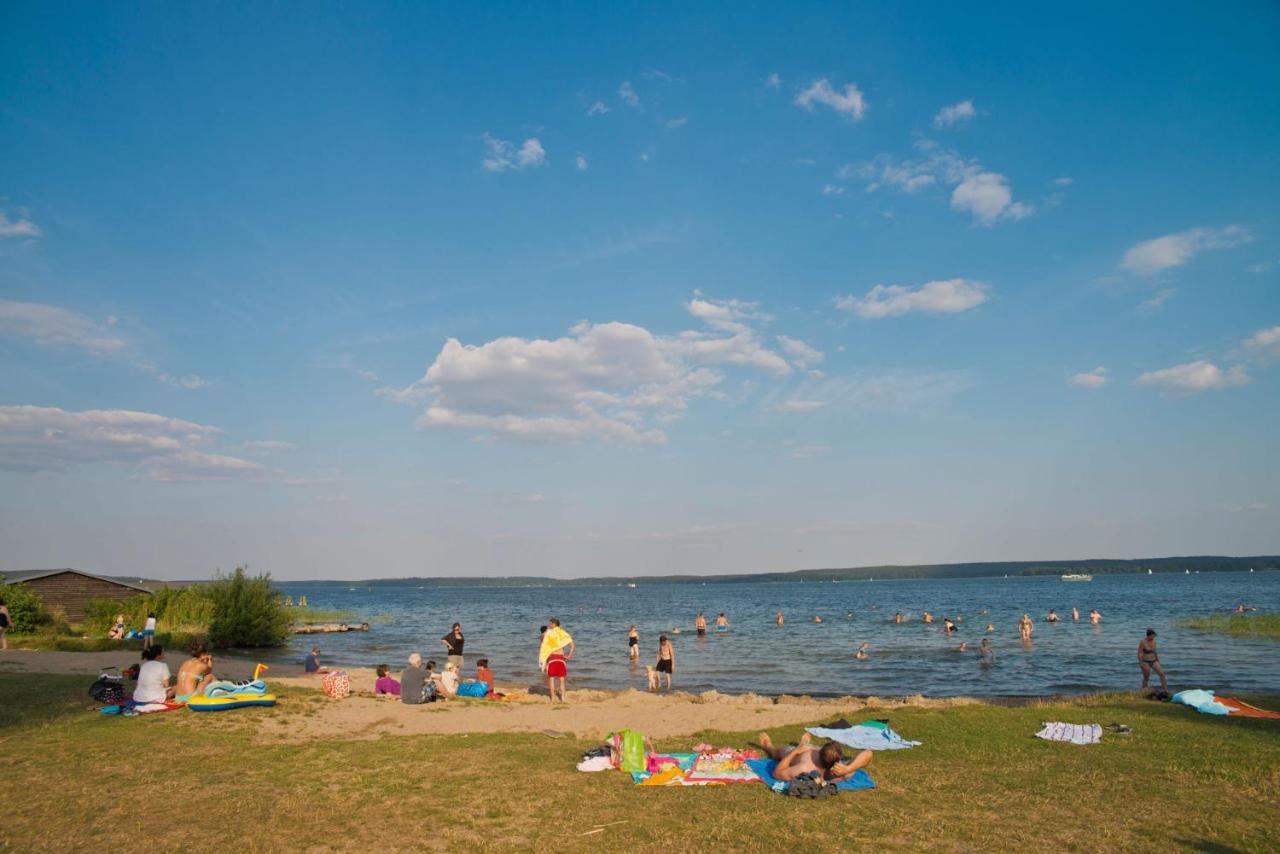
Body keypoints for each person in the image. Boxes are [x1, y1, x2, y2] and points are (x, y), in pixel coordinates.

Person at [757, 731, 872, 783]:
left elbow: (777, 773)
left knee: (778, 753)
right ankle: (804, 743)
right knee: (807, 746)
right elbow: (868, 753)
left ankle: (769, 747)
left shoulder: (804, 768)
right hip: (811, 751)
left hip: (799, 753)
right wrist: (848, 768)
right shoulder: (842, 771)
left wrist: (795, 752)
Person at [540, 618, 574, 703]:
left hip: (551, 659)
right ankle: (563, 698)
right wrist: (569, 656)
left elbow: (543, 644)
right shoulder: (562, 633)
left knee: (551, 680)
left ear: (553, 624)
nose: (548, 625)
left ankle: (552, 699)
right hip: (561, 659)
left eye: (550, 624)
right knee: (562, 681)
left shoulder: (547, 634)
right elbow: (572, 645)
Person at [1138, 629, 1168, 694]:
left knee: (1162, 674)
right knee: (1146, 677)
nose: (1153, 638)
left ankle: (1165, 690)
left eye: (1154, 636)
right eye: (1152, 636)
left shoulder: (1154, 642)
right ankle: (1144, 691)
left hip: (1154, 661)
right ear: (1149, 636)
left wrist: (1158, 660)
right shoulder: (1143, 642)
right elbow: (1140, 653)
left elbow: (1155, 652)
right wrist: (1141, 662)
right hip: (1145, 661)